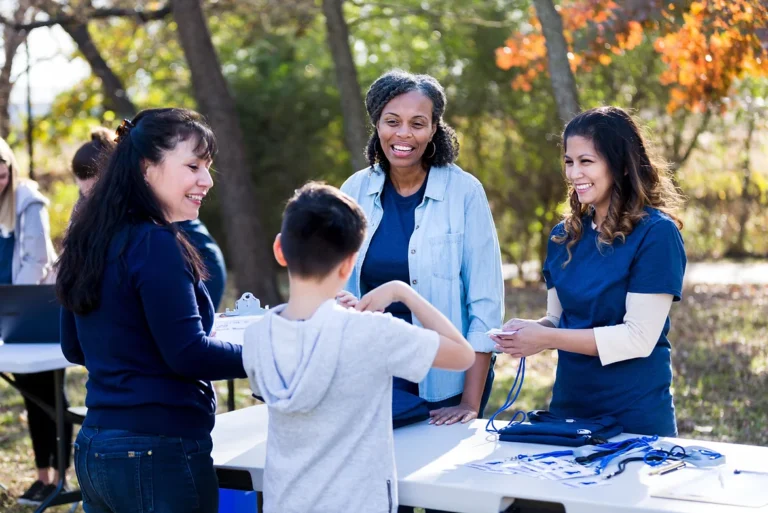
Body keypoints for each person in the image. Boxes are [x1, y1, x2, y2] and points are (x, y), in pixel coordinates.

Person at [241, 182, 475, 513]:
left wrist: (334, 316)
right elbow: (462, 354)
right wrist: (402, 291)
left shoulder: (256, 337)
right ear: (350, 264)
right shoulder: (373, 334)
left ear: (280, 250)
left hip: (286, 502)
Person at [56, 108, 246, 513]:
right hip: (159, 454)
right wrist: (273, 350)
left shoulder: (87, 237)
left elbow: (74, 347)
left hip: (95, 449)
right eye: (193, 165)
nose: (206, 180)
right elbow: (188, 353)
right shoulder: (156, 243)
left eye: (208, 167)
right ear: (146, 168)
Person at [492, 106, 687, 437]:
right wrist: (527, 332)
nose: (573, 173)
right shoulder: (562, 236)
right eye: (569, 162)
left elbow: (638, 338)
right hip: (570, 411)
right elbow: (556, 319)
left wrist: (548, 338)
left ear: (622, 165)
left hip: (635, 416)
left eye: (586, 161)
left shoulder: (657, 234)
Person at [340, 69, 504, 428]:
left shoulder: (465, 193)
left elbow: (485, 306)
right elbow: (336, 287)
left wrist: (470, 403)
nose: (403, 134)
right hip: (372, 375)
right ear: (377, 125)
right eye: (392, 121)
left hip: (446, 378)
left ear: (433, 129)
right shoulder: (353, 190)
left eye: (417, 123)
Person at [71, 127, 228, 310]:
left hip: (201, 268)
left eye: (96, 190)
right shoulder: (89, 223)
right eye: (85, 194)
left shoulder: (157, 216)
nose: (93, 199)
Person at [0, 137, 68, 506]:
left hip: (38, 308)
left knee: (49, 394)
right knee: (30, 396)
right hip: (10, 313)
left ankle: (60, 478)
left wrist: (13, 304)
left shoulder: (28, 201)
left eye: (3, 173)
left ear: (11, 168)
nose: (0, 181)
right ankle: (42, 476)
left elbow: (37, 260)